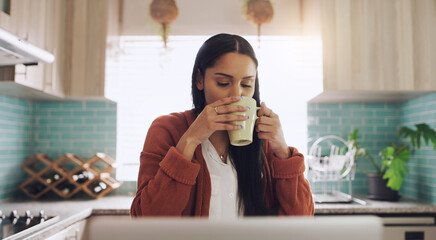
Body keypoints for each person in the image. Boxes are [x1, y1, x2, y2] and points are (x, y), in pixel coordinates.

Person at [130, 33, 314, 218]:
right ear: (200, 80)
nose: (237, 94)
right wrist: (190, 141)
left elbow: (301, 222)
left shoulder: (263, 141)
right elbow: (146, 220)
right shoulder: (167, 130)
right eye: (223, 83)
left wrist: (283, 152)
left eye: (247, 84)